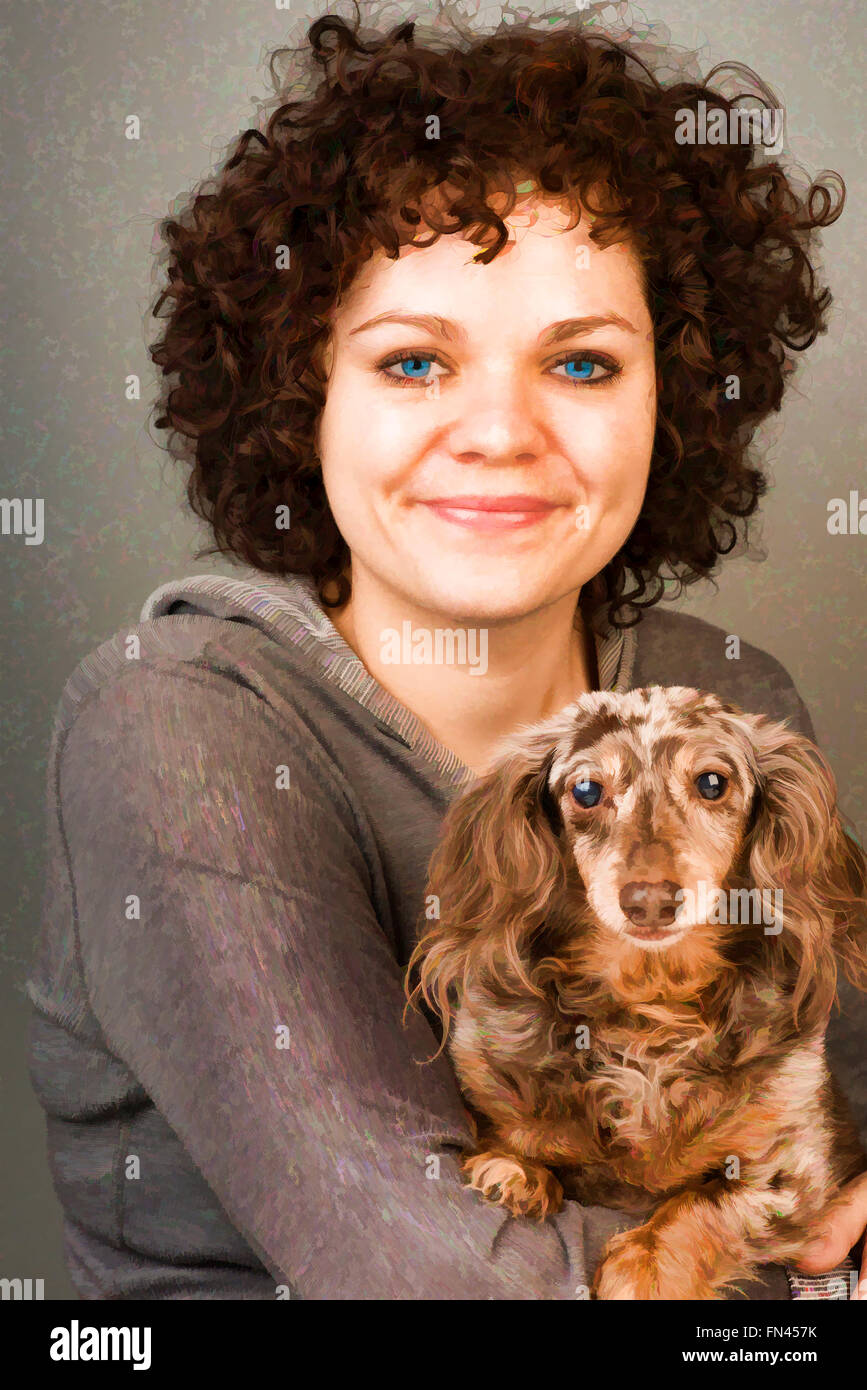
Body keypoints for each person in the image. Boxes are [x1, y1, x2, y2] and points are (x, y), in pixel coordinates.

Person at [26, 3, 866, 1299]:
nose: (499, 429)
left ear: (675, 394)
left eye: (581, 364)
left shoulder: (727, 695)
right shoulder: (169, 726)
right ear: (302, 391)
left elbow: (840, 1111)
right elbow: (421, 1269)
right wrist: (793, 1267)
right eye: (415, 360)